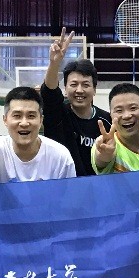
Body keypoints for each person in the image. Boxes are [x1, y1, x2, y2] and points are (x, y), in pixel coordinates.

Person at [0, 86, 76, 184]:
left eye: (31, 116)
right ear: (5, 120)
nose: (24, 123)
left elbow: (68, 198)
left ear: (41, 120)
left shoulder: (61, 156)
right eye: (17, 116)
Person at [41, 29, 111, 177]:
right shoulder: (58, 114)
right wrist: (54, 63)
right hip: (62, 186)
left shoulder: (107, 121)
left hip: (96, 187)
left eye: (85, 85)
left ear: (94, 90)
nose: (79, 90)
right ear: (65, 89)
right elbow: (49, 92)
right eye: (73, 84)